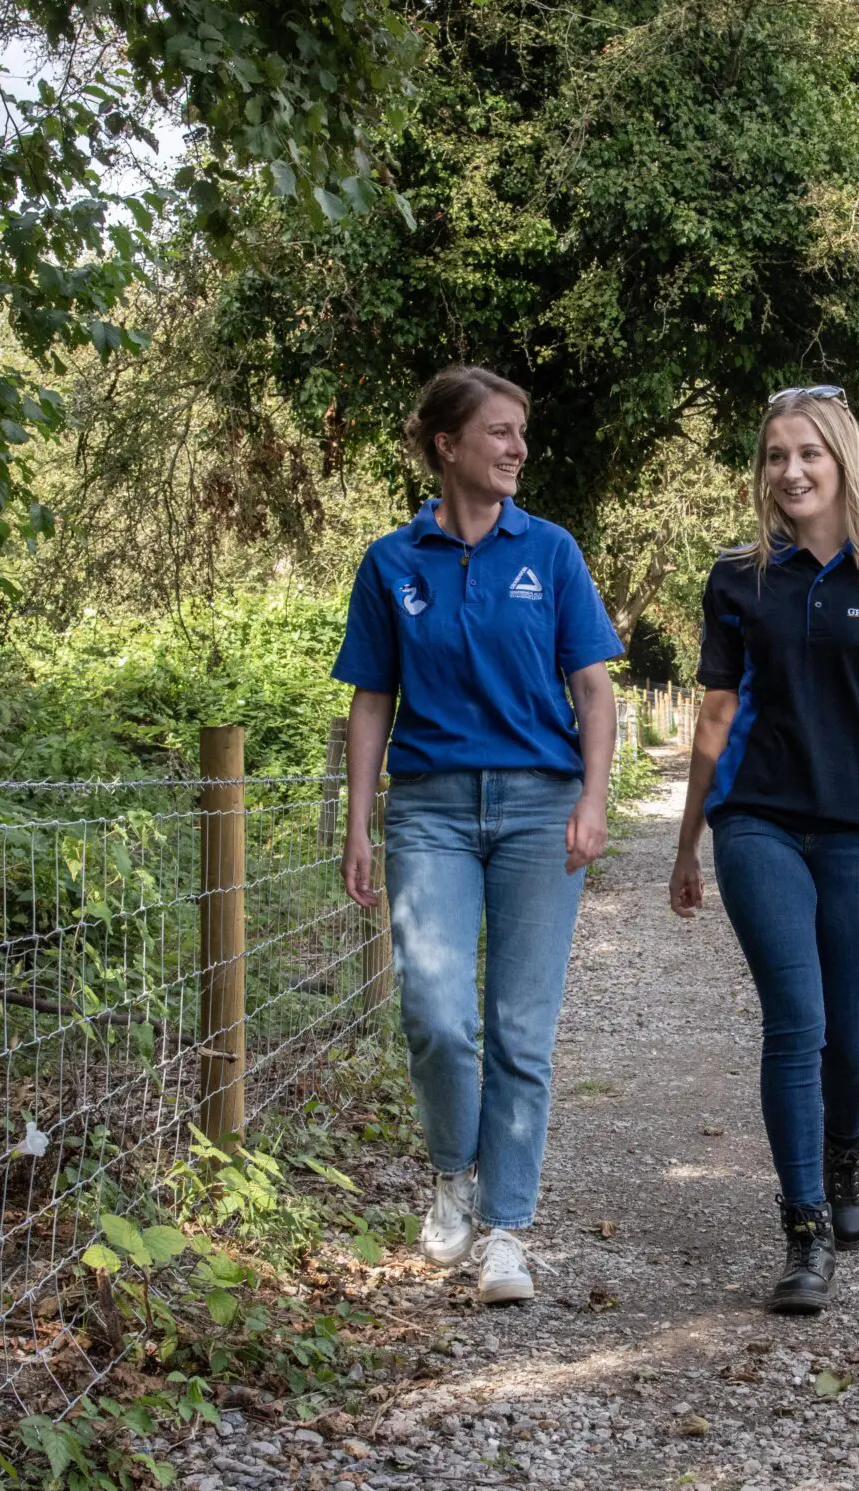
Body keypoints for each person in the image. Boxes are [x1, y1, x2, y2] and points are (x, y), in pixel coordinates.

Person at [669, 385, 859, 1314]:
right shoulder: (736, 575)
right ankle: (803, 1230)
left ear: (842, 460)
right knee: (795, 1023)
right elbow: (716, 713)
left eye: (808, 453)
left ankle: (847, 1148)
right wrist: (688, 841)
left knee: (852, 1041)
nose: (790, 471)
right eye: (774, 455)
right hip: (755, 820)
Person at [337, 366, 625, 1305]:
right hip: (431, 808)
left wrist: (594, 797)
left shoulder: (552, 549)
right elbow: (372, 697)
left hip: (543, 804)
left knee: (520, 1028)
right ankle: (452, 1175)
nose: (517, 450)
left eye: (522, 435)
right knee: (436, 1013)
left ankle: (505, 1229)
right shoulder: (392, 562)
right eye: (499, 433)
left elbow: (593, 688)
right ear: (446, 444)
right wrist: (359, 820)